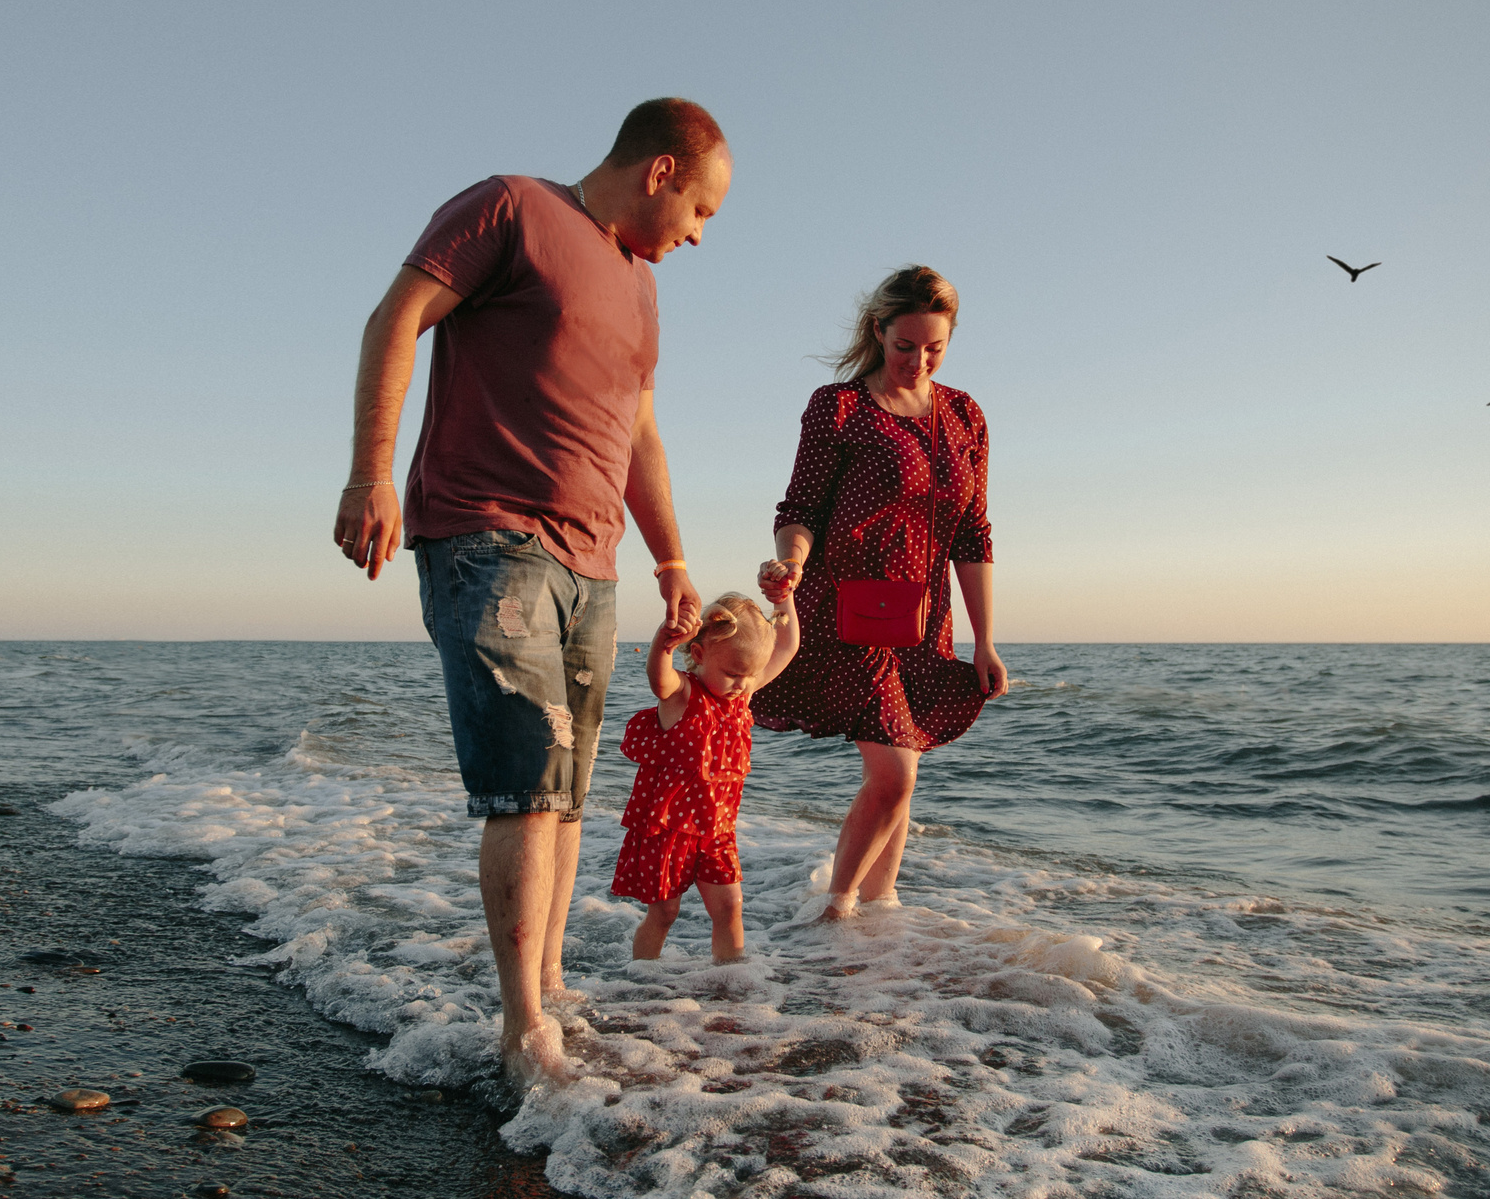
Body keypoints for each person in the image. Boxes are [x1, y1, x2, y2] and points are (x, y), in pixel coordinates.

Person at [331, 98, 730, 1082]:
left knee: (562, 799)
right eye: (701, 209)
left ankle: (547, 992)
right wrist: (370, 474)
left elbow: (639, 436)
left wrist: (672, 563)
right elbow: (398, 317)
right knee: (522, 791)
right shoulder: (508, 207)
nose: (699, 233)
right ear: (659, 171)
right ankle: (520, 1032)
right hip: (488, 540)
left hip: (592, 565)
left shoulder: (640, 288)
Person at [750, 265, 1007, 919]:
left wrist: (985, 640)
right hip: (847, 609)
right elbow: (799, 507)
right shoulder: (839, 408)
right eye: (905, 346)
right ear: (878, 332)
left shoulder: (966, 416)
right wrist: (793, 562)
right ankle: (832, 915)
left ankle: (878, 916)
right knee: (893, 776)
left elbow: (973, 535)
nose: (918, 361)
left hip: (926, 620)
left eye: (935, 348)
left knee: (903, 774)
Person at [613, 588, 800, 964]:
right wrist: (665, 643)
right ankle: (640, 979)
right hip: (671, 831)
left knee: (730, 908)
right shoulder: (684, 694)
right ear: (699, 654)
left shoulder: (740, 693)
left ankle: (730, 982)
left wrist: (785, 597)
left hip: (717, 832)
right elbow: (658, 678)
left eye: (750, 675)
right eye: (733, 673)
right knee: (664, 913)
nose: (744, 684)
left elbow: (788, 645)